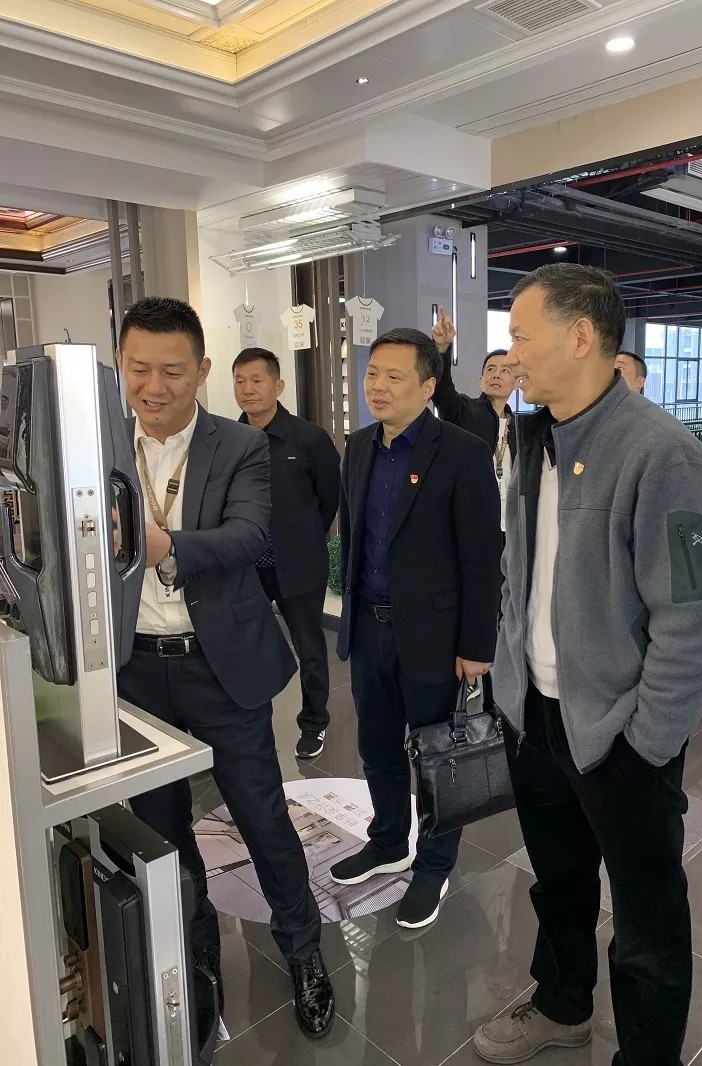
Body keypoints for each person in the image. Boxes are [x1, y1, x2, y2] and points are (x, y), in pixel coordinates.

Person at [473, 265, 702, 1066]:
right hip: (536, 716)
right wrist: (509, 684)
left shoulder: (664, 455)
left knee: (647, 916)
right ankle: (562, 1006)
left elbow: (699, 623)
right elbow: (519, 571)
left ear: (581, 336)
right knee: (558, 882)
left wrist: (644, 745)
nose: (510, 356)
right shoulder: (532, 440)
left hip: (620, 735)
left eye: (522, 336)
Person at [115, 297, 334, 1039]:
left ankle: (302, 947)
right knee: (160, 826)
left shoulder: (238, 445)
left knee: (261, 814)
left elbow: (249, 537)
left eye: (173, 371)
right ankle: (195, 946)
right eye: (139, 368)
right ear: (121, 366)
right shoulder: (101, 441)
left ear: (202, 370)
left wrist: (164, 545)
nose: (155, 386)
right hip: (133, 672)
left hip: (220, 666)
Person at [331, 327, 502, 930]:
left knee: (437, 757)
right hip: (369, 629)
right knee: (377, 747)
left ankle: (433, 865)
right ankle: (387, 842)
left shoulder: (461, 452)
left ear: (428, 386)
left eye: (394, 376)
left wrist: (477, 645)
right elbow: (354, 537)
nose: (377, 386)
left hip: (434, 637)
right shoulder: (358, 447)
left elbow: (481, 557)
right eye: (372, 373)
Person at [233, 347, 341, 759]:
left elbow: (329, 499)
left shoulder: (309, 438)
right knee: (243, 644)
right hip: (247, 566)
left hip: (298, 563)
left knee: (309, 647)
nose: (248, 389)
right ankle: (247, 721)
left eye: (257, 380)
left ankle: (314, 723)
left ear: (278, 386)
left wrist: (303, 536)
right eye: (240, 381)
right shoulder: (228, 439)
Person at [431, 307, 517, 536]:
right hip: (474, 524)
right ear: (481, 380)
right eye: (490, 369)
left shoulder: (521, 427)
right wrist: (442, 349)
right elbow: (442, 390)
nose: (496, 374)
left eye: (505, 370)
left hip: (512, 528)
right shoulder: (464, 410)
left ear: (516, 382)